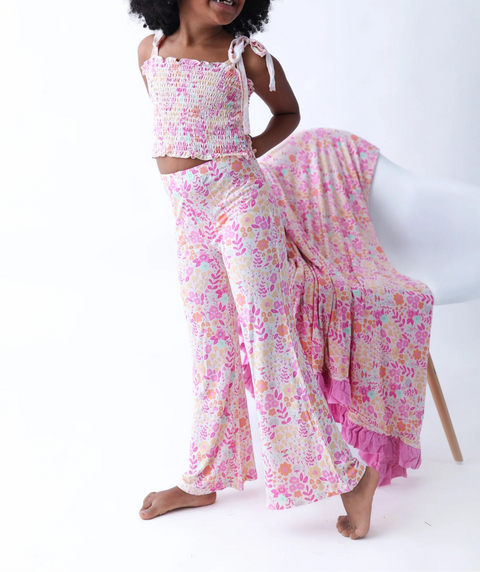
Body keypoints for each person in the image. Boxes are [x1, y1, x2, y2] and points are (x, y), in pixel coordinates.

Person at [131, 0, 383, 540]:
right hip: (189, 218)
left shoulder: (245, 58)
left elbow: (288, 113)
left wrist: (248, 148)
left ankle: (354, 477)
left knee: (268, 343)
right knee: (210, 345)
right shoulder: (149, 53)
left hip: (242, 207)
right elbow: (175, 129)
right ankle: (204, 477)